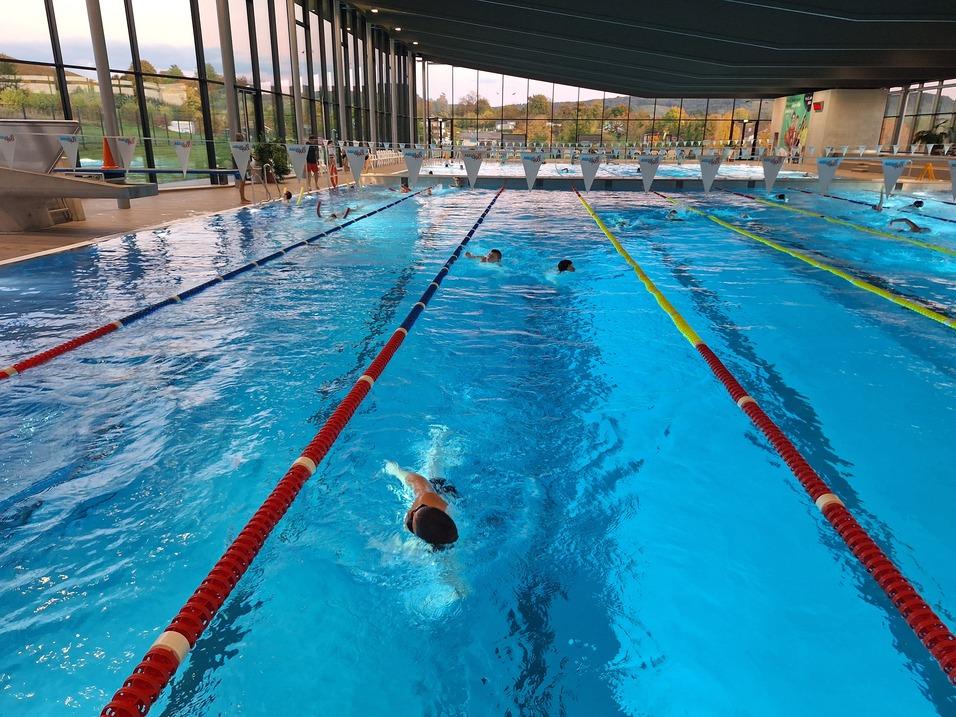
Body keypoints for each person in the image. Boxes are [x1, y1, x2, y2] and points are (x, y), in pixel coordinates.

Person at [385, 461, 458, 548]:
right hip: (440, 492)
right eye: (422, 507)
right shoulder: (426, 496)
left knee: (434, 467)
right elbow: (417, 480)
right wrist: (397, 471)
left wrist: (396, 470)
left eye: (412, 518)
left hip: (443, 495)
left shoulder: (426, 499)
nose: (412, 512)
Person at [235, 132, 250, 204]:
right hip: (241, 166)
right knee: (242, 183)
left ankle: (243, 198)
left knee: (243, 183)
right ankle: (242, 199)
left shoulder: (238, 146)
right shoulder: (238, 146)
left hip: (241, 165)